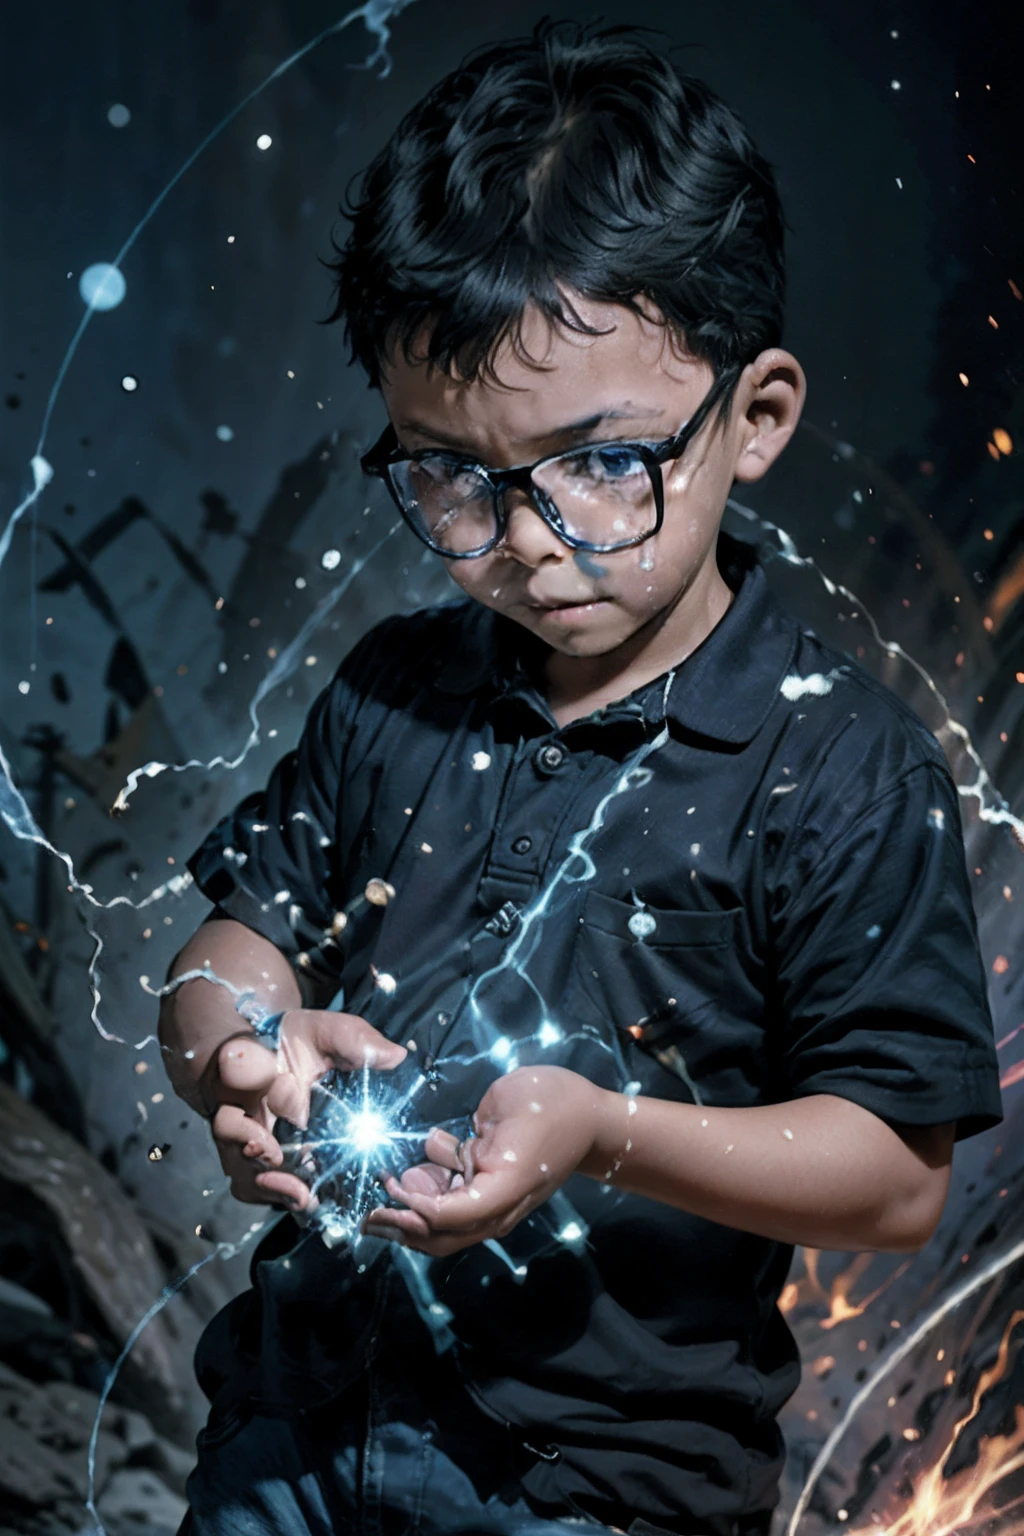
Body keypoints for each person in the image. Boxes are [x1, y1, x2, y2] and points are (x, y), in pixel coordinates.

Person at [161, 22, 1002, 1536]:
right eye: (452, 478)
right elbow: (233, 940)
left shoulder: (840, 767)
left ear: (753, 419)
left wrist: (601, 1130)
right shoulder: (390, 691)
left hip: (603, 1491)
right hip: (285, 1437)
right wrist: (232, 1045)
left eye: (602, 462)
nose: (530, 541)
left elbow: (896, 1177)